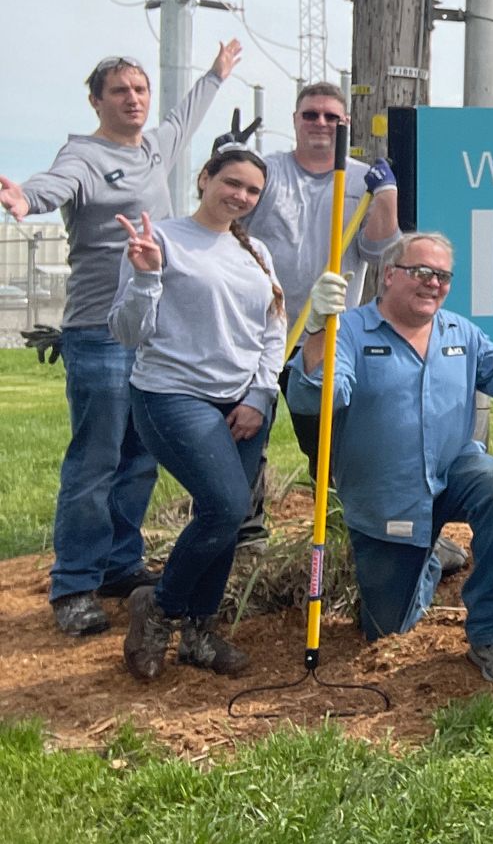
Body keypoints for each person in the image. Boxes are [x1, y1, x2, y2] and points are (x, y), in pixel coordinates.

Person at [0, 41, 240, 638]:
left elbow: (185, 117)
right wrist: (26, 198)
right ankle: (74, 584)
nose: (133, 100)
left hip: (153, 333)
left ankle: (119, 565)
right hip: (100, 333)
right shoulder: (84, 154)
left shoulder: (156, 147)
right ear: (96, 101)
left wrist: (214, 74)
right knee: (96, 459)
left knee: (140, 456)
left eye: (139, 90)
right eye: (119, 92)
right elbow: (55, 183)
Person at [286, 231, 493, 681]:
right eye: (422, 272)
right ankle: (431, 556)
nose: (434, 283)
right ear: (389, 275)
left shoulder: (459, 331)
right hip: (389, 495)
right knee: (387, 630)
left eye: (443, 275)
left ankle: (491, 632)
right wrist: (315, 333)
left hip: (454, 471)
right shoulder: (348, 330)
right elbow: (317, 400)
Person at [108, 145, 286, 679]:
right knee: (227, 507)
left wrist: (260, 395)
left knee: (224, 521)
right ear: (204, 178)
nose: (241, 196)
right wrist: (146, 277)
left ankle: (200, 635)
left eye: (253, 191)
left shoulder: (255, 251)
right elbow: (126, 332)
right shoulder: (159, 238)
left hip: (243, 401)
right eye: (231, 183)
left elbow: (272, 330)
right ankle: (159, 608)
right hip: (172, 393)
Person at [236, 81, 399, 550]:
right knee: (247, 432)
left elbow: (378, 251)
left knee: (329, 439)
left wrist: (386, 197)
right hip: (260, 333)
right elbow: (230, 228)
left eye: (333, 117)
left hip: (326, 335)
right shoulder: (265, 173)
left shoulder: (362, 180)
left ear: (346, 124)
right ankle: (247, 537)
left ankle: (344, 530)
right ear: (295, 120)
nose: (322, 124)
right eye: (311, 115)